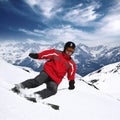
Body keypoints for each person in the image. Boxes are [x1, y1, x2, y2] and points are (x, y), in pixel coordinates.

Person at [12, 41, 76, 101]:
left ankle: (35, 96)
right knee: (37, 81)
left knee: (53, 90)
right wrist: (37, 56)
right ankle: (19, 87)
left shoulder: (71, 63)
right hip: (47, 72)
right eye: (68, 49)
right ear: (65, 48)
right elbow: (46, 54)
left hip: (55, 79)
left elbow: (71, 74)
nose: (69, 52)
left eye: (71, 50)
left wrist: (71, 82)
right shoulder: (56, 53)